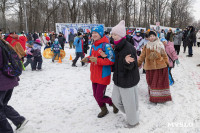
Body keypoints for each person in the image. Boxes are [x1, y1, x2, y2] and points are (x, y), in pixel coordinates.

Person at [81, 25, 118, 118]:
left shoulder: (107, 46)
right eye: (92, 33)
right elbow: (92, 57)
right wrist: (87, 59)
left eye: (96, 33)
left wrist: (96, 60)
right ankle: (104, 110)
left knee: (99, 96)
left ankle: (113, 103)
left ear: (101, 34)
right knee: (95, 95)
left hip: (103, 74)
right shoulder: (94, 45)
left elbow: (112, 60)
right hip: (94, 74)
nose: (93, 35)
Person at [109, 20, 140, 128]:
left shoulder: (128, 48)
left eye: (115, 34)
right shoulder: (117, 46)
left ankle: (133, 121)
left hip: (127, 80)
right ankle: (131, 112)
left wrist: (126, 62)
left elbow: (132, 66)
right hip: (118, 79)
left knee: (129, 103)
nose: (113, 36)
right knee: (115, 100)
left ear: (122, 35)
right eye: (112, 34)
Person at [0, 38, 28, 133]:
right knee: (2, 105)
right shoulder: (4, 43)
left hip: (3, 82)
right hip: (9, 79)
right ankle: (19, 120)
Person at [138, 31, 172, 103]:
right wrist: (138, 63)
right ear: (148, 38)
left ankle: (161, 97)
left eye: (153, 36)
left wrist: (167, 63)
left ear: (155, 36)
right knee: (151, 81)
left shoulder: (160, 44)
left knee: (159, 82)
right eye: (150, 36)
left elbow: (164, 55)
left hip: (160, 66)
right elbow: (142, 56)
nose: (152, 37)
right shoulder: (146, 46)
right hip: (150, 67)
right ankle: (154, 96)